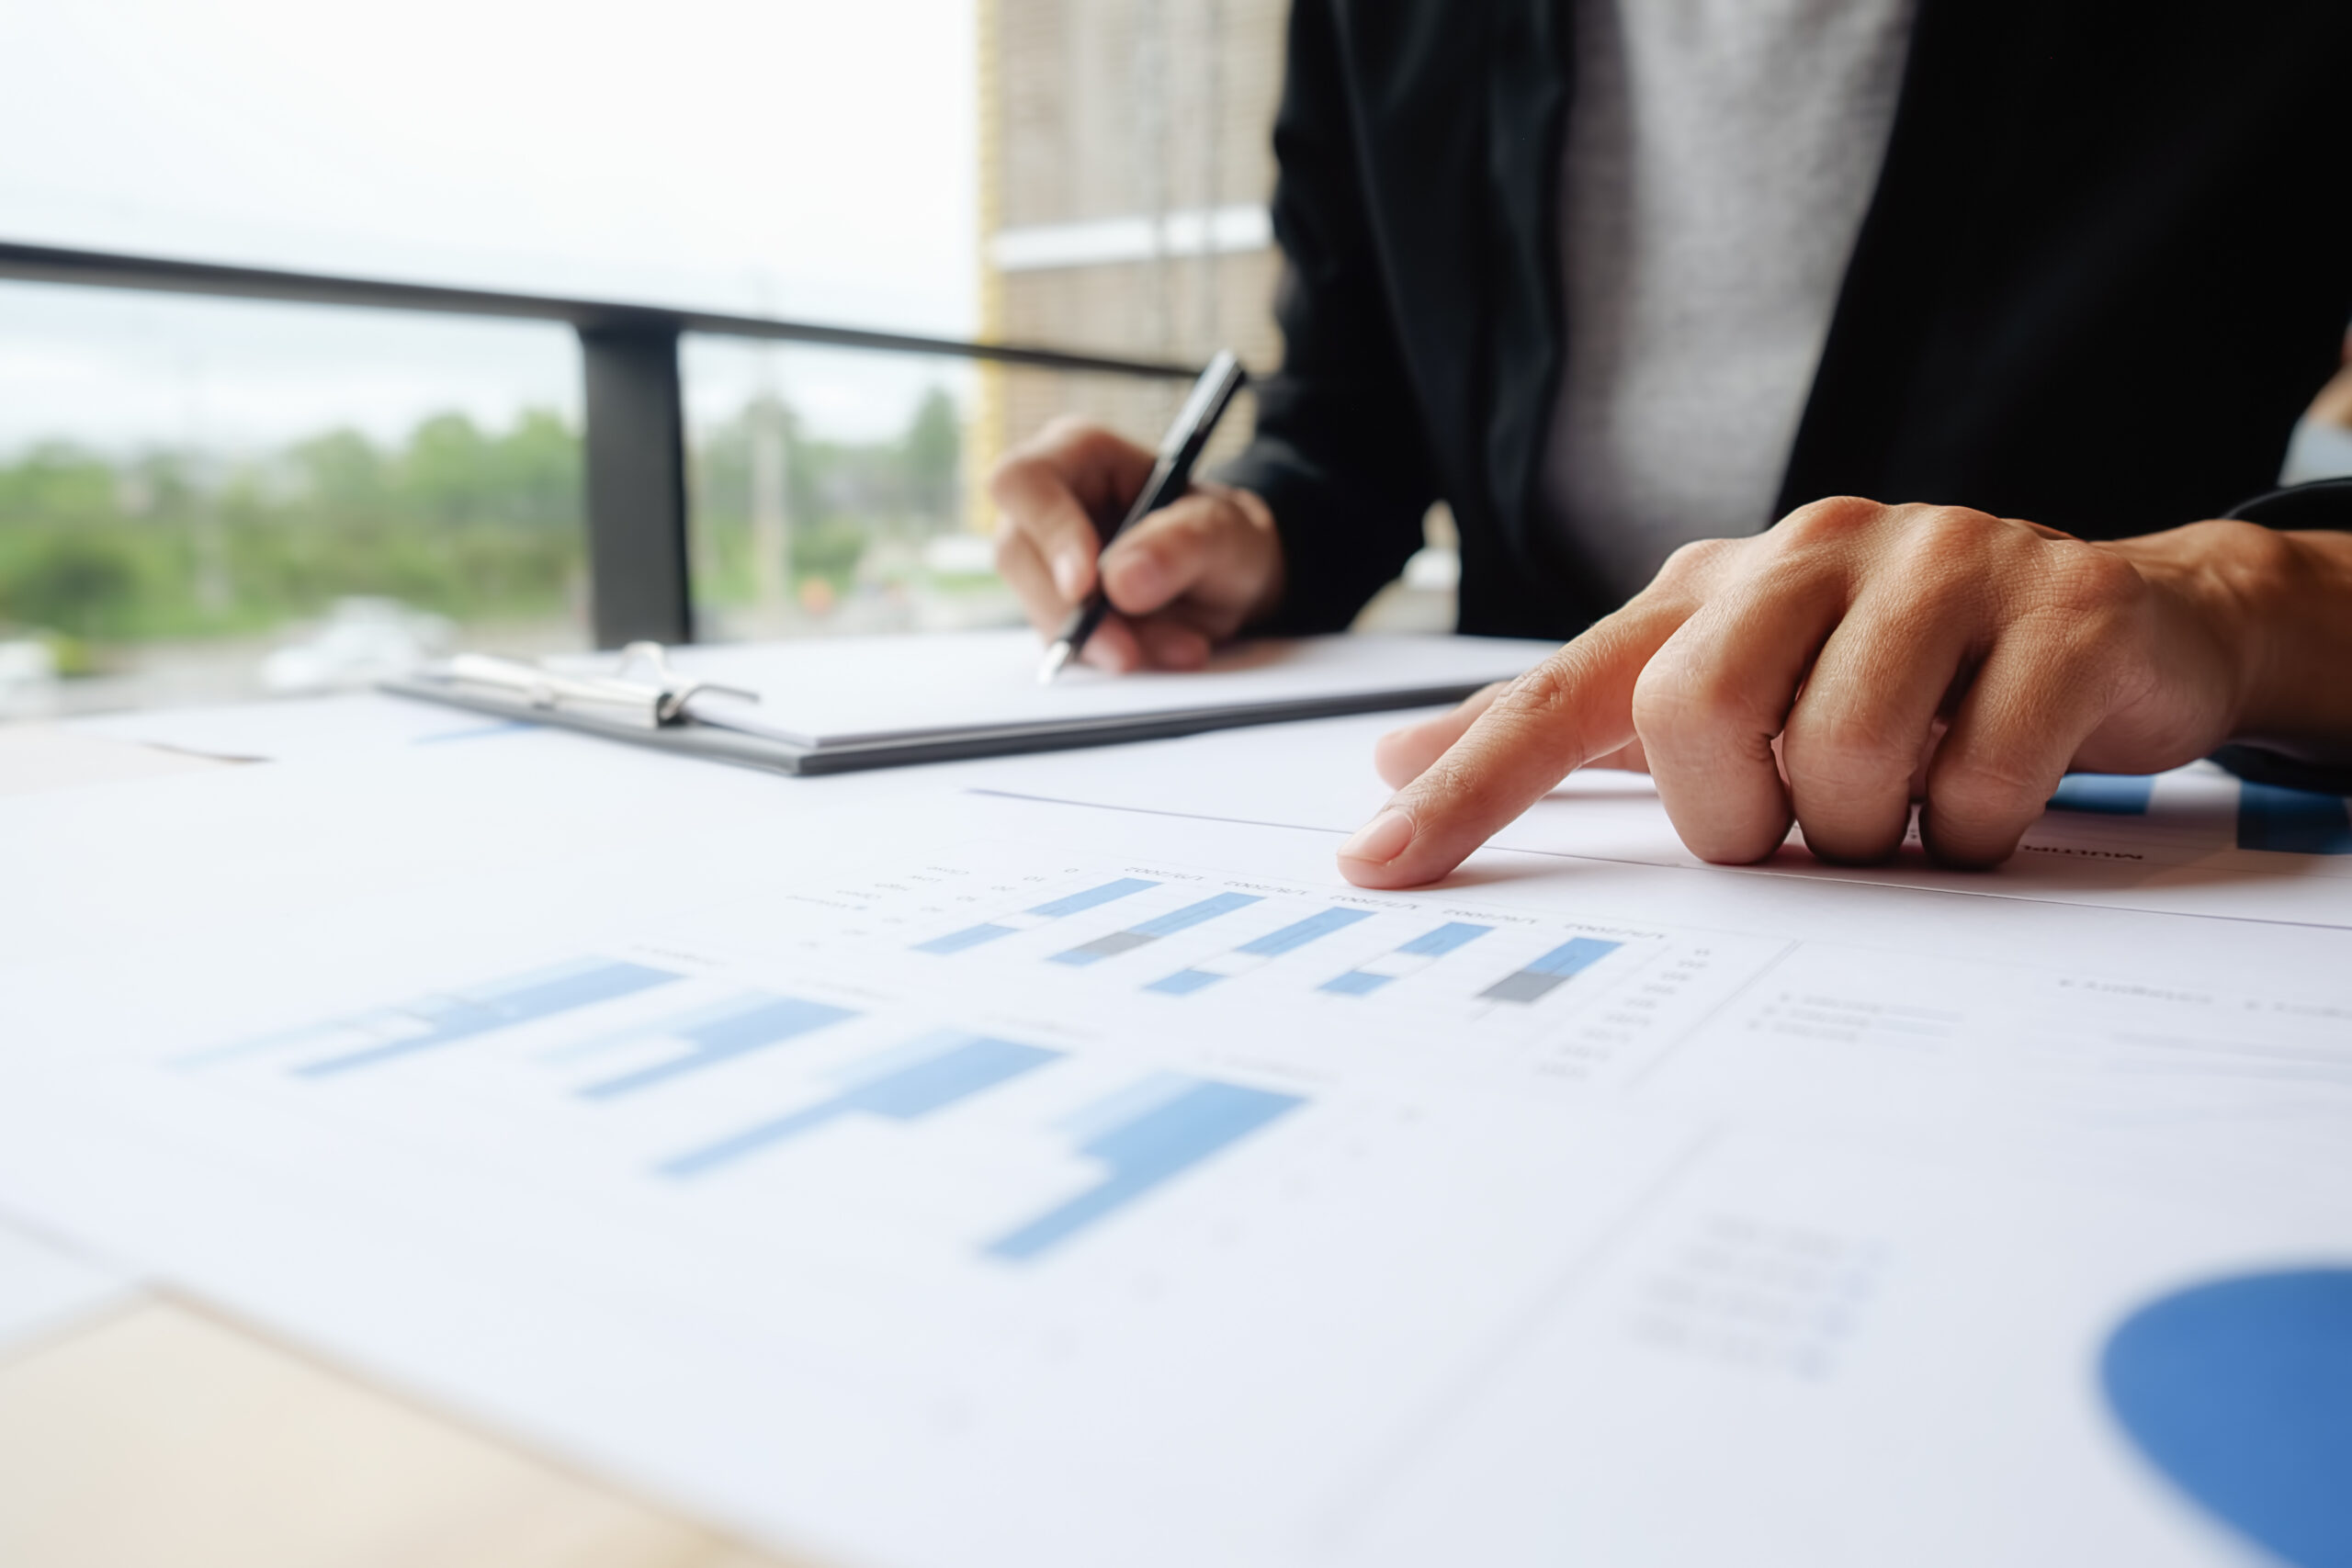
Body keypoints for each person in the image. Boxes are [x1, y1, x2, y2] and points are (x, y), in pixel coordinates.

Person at [990, 0, 2352, 890]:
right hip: (1590, 834)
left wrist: (2233, 604)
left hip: (2090, 845)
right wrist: (1250, 530)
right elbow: (1354, 415)